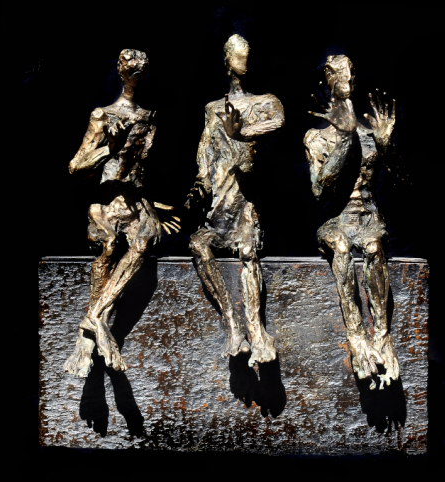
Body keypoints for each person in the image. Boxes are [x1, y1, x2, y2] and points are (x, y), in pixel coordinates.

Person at [64, 49, 180, 377]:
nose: (137, 76)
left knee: (146, 239)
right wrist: (109, 148)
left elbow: (137, 171)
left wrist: (151, 205)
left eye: (141, 71)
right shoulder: (103, 115)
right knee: (108, 245)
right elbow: (76, 166)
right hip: (107, 200)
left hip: (136, 203)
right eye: (132, 70)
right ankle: (88, 338)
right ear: (120, 72)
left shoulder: (149, 117)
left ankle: (94, 319)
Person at [185, 34, 285, 367]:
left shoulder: (265, 101)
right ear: (228, 60)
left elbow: (276, 123)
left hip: (246, 202)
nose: (246, 61)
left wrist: (241, 134)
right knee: (198, 243)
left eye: (249, 54)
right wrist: (199, 184)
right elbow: (206, 150)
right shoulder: (213, 109)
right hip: (219, 204)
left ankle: (257, 331)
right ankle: (231, 323)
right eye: (240, 55)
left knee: (248, 253)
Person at [305, 55, 400, 389]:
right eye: (338, 72)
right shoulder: (316, 138)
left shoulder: (370, 133)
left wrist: (387, 147)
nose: (347, 78)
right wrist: (345, 139)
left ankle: (383, 337)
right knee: (341, 246)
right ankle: (357, 336)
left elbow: (405, 182)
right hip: (337, 219)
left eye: (350, 72)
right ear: (329, 80)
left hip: (369, 218)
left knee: (373, 247)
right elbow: (319, 189)